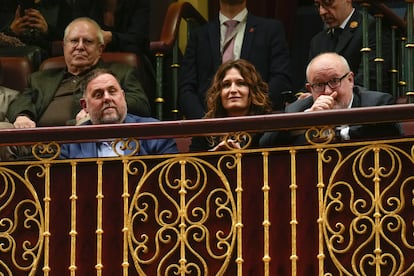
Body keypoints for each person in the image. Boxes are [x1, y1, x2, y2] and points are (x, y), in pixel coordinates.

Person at [6, 17, 151, 129]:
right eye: (74, 41)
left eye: (87, 41)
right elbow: (20, 101)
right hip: (41, 145)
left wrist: (96, 107)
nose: (80, 47)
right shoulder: (41, 78)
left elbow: (141, 105)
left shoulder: (120, 73)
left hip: (90, 139)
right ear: (64, 46)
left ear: (100, 49)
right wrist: (23, 116)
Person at [179, 0, 293, 120]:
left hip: (260, 125)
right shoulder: (199, 35)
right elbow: (187, 87)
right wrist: (205, 123)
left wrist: (256, 114)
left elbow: (281, 78)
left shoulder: (271, 29)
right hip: (207, 126)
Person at [260, 52, 402, 146]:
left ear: (350, 80)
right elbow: (265, 143)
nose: (327, 91)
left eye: (334, 81)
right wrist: (305, 123)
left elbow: (384, 135)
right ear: (309, 89)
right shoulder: (299, 109)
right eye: (319, 85)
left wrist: (327, 133)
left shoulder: (377, 103)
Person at [60, 68, 177, 158]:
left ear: (123, 96)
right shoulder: (71, 143)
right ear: (85, 106)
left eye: (112, 91)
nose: (107, 98)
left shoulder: (154, 132)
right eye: (98, 94)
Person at [308, 0, 392, 93]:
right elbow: (310, 82)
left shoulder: (370, 29)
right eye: (318, 5)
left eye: (328, 3)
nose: (322, 12)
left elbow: (368, 81)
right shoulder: (318, 40)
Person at [190, 59, 272, 152]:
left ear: (252, 91)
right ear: (219, 93)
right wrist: (214, 155)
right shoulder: (204, 131)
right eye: (226, 85)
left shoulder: (268, 128)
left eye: (241, 83)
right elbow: (191, 165)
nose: (233, 90)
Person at [0, 0, 73, 66]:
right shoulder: (5, 6)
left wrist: (48, 30)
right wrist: (10, 32)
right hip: (9, 59)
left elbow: (70, 38)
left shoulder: (61, 6)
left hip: (46, 62)